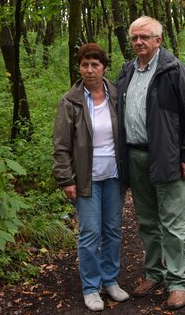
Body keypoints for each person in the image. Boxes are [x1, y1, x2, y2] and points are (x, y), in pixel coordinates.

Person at [115, 16, 185, 310]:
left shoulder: (174, 70)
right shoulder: (127, 71)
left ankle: (178, 282)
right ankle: (154, 273)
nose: (138, 42)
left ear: (158, 40)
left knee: (173, 222)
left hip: (166, 156)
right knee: (147, 220)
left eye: (144, 37)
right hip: (135, 156)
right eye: (134, 38)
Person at [52, 43, 129, 312]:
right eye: (85, 64)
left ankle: (110, 280)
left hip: (114, 176)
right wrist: (66, 179)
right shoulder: (70, 101)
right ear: (79, 67)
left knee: (112, 230)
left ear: (104, 68)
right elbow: (61, 145)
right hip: (86, 178)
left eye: (95, 64)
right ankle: (90, 287)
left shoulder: (117, 95)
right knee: (90, 233)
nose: (89, 69)